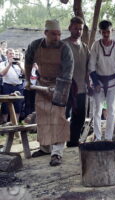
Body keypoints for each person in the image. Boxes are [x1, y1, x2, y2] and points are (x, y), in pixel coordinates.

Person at [25, 19, 74, 166]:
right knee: (43, 117)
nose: (57, 37)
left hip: (61, 85)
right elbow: (28, 62)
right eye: (54, 34)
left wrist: (58, 90)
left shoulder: (65, 49)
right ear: (45, 33)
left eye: (59, 34)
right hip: (42, 84)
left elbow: (68, 74)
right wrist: (28, 81)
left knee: (58, 118)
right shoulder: (35, 45)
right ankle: (45, 148)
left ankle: (57, 153)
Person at [89, 20, 115, 141]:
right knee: (97, 110)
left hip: (112, 81)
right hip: (98, 80)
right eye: (103, 32)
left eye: (108, 31)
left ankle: (109, 137)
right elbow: (91, 65)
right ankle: (98, 137)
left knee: (111, 110)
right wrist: (94, 81)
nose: (106, 34)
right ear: (100, 32)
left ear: (111, 31)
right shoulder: (96, 45)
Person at [63, 16, 91, 147]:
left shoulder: (85, 47)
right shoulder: (63, 45)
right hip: (65, 88)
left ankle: (73, 141)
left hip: (81, 88)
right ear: (70, 28)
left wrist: (89, 84)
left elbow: (87, 69)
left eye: (80, 29)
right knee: (62, 116)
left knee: (79, 117)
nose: (78, 31)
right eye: (75, 28)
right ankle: (57, 143)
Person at [0, 48, 25, 122]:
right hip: (7, 86)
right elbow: (2, 74)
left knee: (18, 106)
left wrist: (20, 66)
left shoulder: (20, 63)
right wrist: (9, 65)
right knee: (5, 106)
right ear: (6, 55)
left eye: (13, 54)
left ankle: (15, 124)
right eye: (10, 53)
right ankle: (5, 124)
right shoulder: (3, 63)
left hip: (18, 86)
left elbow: (26, 74)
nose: (12, 55)